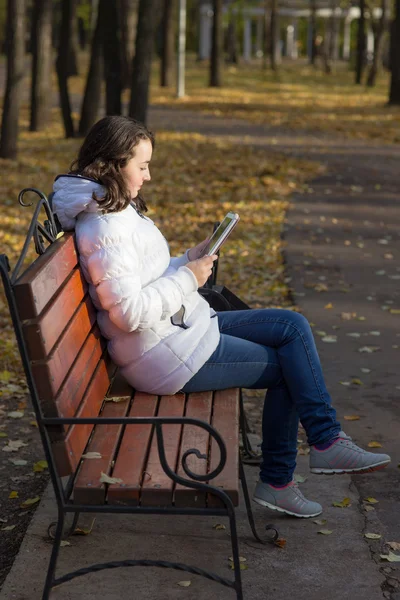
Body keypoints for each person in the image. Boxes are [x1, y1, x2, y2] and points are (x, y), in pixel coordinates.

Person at [52, 116, 391, 518]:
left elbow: (142, 278)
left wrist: (186, 261)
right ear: (113, 163)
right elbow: (128, 313)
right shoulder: (106, 223)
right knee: (288, 367)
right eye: (141, 166)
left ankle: (325, 439)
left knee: (290, 326)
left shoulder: (113, 209)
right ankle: (282, 479)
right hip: (164, 356)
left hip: (180, 332)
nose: (148, 175)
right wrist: (187, 279)